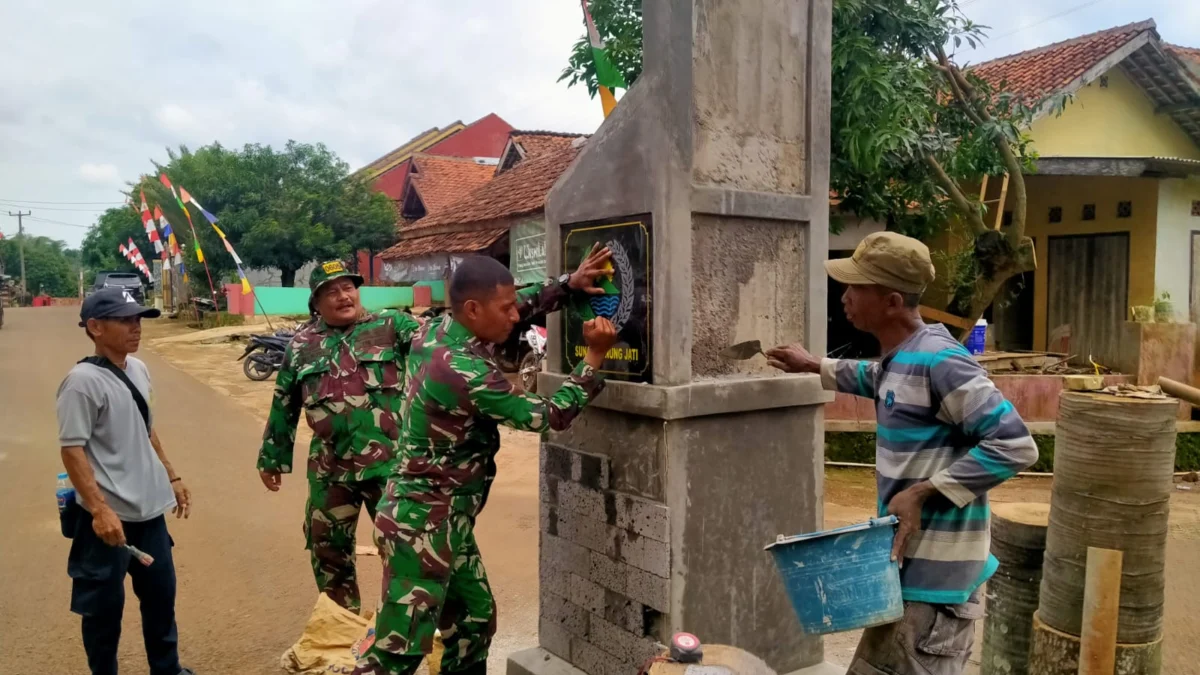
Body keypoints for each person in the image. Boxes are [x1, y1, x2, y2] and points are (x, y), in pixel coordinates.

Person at [766, 232, 1038, 675]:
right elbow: (879, 379)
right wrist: (815, 365)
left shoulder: (941, 361)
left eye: (856, 287)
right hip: (905, 574)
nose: (845, 296)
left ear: (891, 302)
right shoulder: (904, 359)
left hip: (936, 588)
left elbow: (1015, 444)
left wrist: (923, 492)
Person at [354, 248, 619, 675]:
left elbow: (517, 301)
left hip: (446, 517)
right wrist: (593, 358)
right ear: (473, 309)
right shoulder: (463, 368)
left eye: (514, 305)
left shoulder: (440, 327)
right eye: (506, 308)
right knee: (395, 655)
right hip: (420, 524)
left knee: (475, 622)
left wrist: (567, 284)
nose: (516, 316)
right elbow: (547, 416)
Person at [257, 261, 422, 613]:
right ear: (315, 303)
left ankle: (400, 629)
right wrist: (272, 457)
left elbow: (444, 342)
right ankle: (342, 625)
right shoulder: (302, 345)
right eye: (332, 291)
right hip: (330, 468)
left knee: (404, 546)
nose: (344, 295)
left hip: (390, 466)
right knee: (326, 548)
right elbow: (284, 403)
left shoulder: (392, 326)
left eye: (349, 287)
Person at [56, 287, 195, 675]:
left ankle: (166, 670)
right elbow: (72, 450)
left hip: (149, 515)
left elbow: (147, 429)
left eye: (138, 319)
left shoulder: (139, 369)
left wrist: (172, 474)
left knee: (160, 601)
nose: (136, 327)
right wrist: (100, 510)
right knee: (102, 611)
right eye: (124, 320)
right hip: (105, 521)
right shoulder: (81, 382)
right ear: (95, 327)